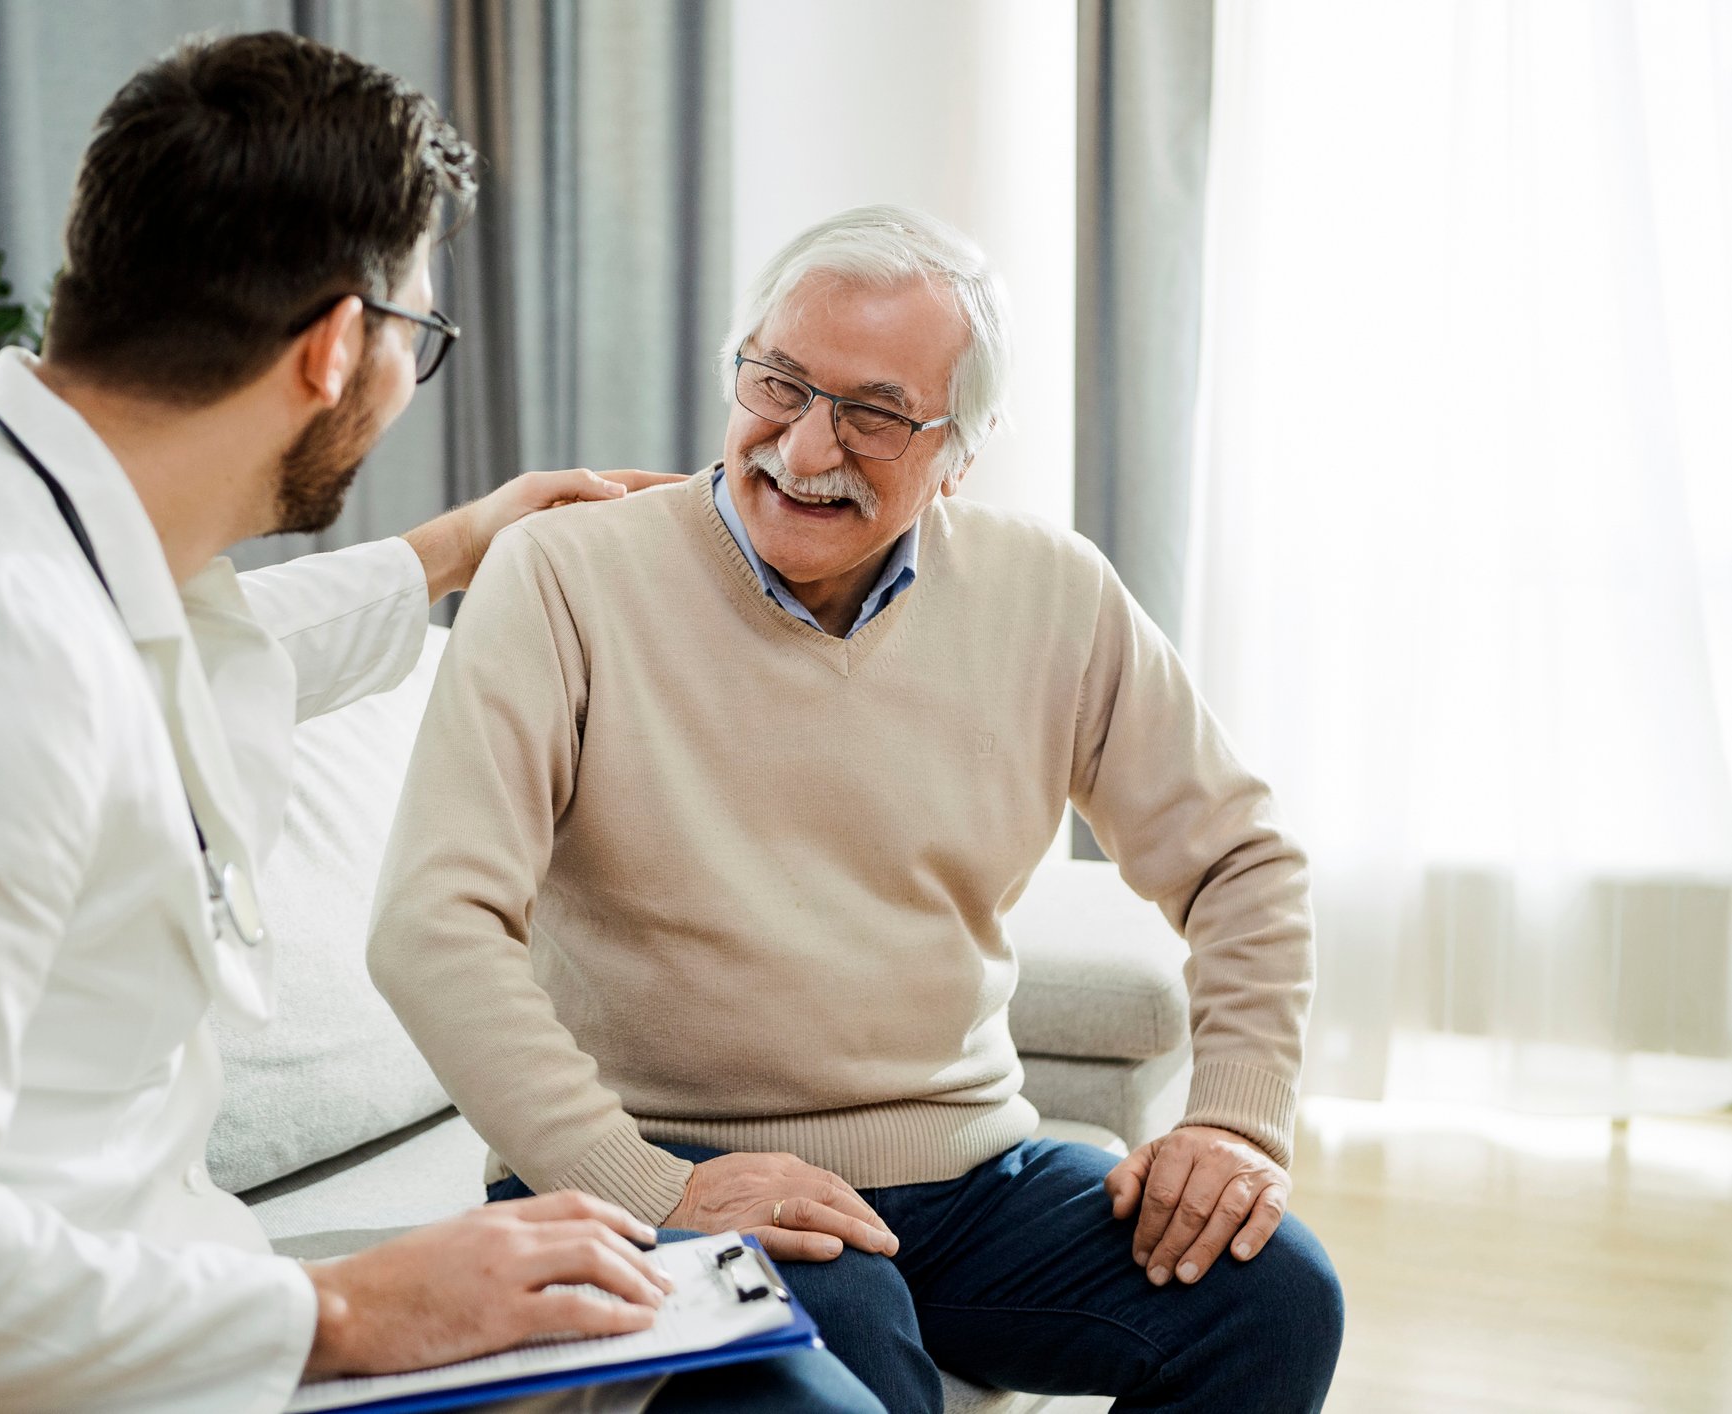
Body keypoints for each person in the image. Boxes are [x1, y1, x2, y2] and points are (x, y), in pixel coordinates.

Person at [0, 34, 878, 1414]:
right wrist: (351, 1307)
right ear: (337, 346)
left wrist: (454, 547)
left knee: (753, 1346)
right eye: (419, 339)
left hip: (151, 1311)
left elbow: (171, 655)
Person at [368, 204, 1348, 1413]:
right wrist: (654, 1185)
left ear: (961, 452)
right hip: (653, 1172)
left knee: (1275, 1294)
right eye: (777, 383)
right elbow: (433, 924)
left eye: (874, 414)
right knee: (851, 1357)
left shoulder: (1052, 593)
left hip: (966, 1179)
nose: (804, 445)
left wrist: (1236, 1121)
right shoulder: (563, 575)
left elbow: (1241, 860)